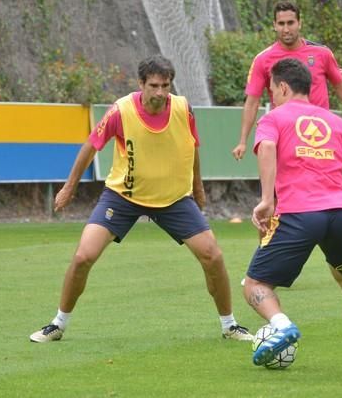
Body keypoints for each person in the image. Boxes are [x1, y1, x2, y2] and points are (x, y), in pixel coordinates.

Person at [30, 55, 253, 343]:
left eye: (166, 86)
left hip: (173, 199)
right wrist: (68, 187)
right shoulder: (121, 111)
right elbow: (90, 146)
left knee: (213, 256)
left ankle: (229, 325)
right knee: (84, 256)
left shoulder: (183, 108)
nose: (160, 92)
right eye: (154, 86)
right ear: (141, 84)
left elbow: (193, 147)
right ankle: (58, 324)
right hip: (123, 197)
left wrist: (198, 188)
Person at [243, 58, 342, 374]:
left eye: (272, 90)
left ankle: (281, 326)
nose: (271, 96)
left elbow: (266, 148)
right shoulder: (338, 122)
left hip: (299, 214)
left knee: (255, 284)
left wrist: (267, 199)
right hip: (339, 214)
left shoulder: (274, 118)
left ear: (282, 87)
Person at [231, 0, 342, 161]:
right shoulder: (263, 59)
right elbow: (252, 102)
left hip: (319, 135)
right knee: (285, 182)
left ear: (299, 23)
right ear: (274, 25)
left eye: (290, 23)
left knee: (323, 180)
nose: (286, 29)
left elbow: (339, 83)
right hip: (285, 133)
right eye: (281, 24)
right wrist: (243, 141)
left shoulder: (322, 53)